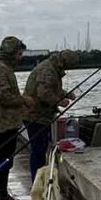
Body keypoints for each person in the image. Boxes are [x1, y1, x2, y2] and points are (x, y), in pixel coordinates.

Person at [0, 36, 35, 200]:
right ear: (11, 53)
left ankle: (4, 197)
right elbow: (3, 97)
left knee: (6, 160)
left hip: (6, 122)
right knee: (3, 161)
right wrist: (24, 100)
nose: (20, 57)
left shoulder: (3, 68)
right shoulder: (0, 69)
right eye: (19, 54)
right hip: (3, 123)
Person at [23, 50, 79, 181]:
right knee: (38, 151)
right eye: (69, 66)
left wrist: (66, 94)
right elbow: (43, 93)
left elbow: (52, 88)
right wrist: (60, 101)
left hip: (41, 116)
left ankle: (40, 179)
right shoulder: (48, 70)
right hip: (35, 116)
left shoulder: (52, 67)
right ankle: (37, 182)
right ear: (64, 63)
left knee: (41, 149)